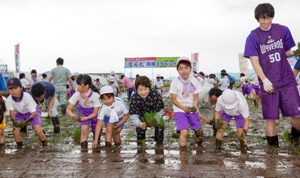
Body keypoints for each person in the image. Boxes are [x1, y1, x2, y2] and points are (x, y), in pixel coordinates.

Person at [244, 3, 300, 146]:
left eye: (269, 18)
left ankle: (295, 139)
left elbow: (286, 52)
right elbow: (254, 62)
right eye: (263, 18)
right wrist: (265, 80)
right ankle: (273, 151)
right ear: (257, 19)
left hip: (287, 79)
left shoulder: (282, 30)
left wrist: (295, 52)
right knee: (271, 118)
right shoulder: (253, 37)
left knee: (297, 114)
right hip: (269, 82)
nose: (266, 21)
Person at [169, 56, 202, 149]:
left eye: (186, 68)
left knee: (198, 131)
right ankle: (183, 156)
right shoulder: (175, 83)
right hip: (179, 109)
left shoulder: (194, 81)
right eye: (181, 69)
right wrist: (183, 107)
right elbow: (174, 100)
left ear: (190, 69)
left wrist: (194, 106)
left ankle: (199, 150)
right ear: (177, 70)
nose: (184, 71)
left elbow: (196, 96)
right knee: (184, 132)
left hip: (192, 108)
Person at [6, 78, 47, 147]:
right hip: (20, 113)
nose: (13, 91)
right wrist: (14, 122)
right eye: (10, 89)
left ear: (21, 88)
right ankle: (20, 147)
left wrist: (25, 122)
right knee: (15, 130)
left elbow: (33, 113)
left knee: (37, 129)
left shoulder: (27, 96)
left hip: (32, 112)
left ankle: (45, 145)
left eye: (15, 88)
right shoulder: (9, 99)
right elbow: (12, 114)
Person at [66, 75, 100, 151]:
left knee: (96, 132)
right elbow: (68, 109)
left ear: (87, 86)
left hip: (94, 113)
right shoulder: (77, 94)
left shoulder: (96, 96)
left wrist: (87, 118)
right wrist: (73, 115)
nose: (77, 86)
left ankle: (97, 146)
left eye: (79, 85)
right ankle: (84, 154)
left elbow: (95, 113)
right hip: (83, 111)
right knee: (84, 131)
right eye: (77, 84)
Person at [129, 76, 164, 144]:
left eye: (145, 89)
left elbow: (160, 109)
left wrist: (155, 120)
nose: (143, 92)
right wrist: (139, 123)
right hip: (142, 116)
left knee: (160, 127)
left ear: (149, 88)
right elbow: (133, 114)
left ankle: (159, 145)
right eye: (140, 90)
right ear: (136, 89)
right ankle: (141, 147)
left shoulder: (155, 94)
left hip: (154, 115)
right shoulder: (134, 97)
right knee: (140, 132)